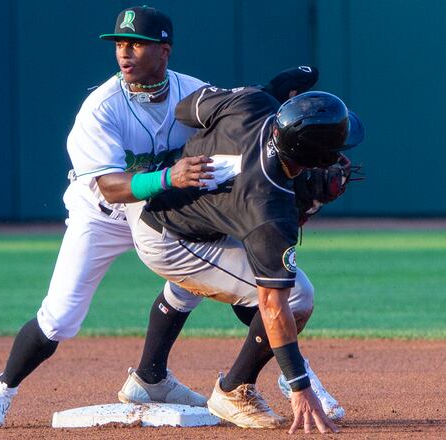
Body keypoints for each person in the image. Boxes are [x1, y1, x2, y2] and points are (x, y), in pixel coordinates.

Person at [0, 5, 213, 428]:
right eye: (120, 43)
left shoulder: (195, 95)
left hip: (161, 214)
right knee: (61, 316)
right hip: (102, 215)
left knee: (198, 279)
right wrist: (170, 175)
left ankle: (152, 378)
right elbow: (111, 187)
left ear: (164, 50)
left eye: (137, 43)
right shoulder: (101, 107)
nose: (125, 52)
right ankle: (3, 386)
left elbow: (236, 124)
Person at [123, 86, 363, 433]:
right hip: (168, 239)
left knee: (209, 278)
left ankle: (148, 377)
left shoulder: (255, 102)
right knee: (296, 296)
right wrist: (300, 385)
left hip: (164, 195)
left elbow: (186, 110)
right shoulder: (270, 210)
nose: (339, 157)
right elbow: (274, 304)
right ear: (313, 157)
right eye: (334, 149)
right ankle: (234, 390)